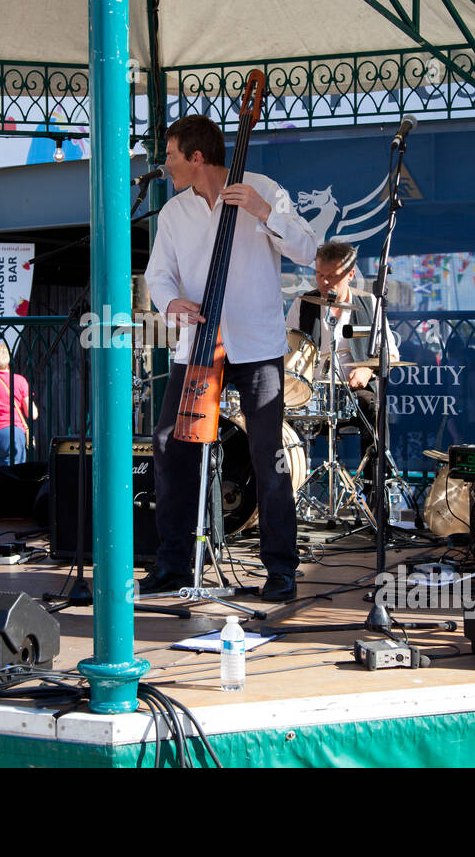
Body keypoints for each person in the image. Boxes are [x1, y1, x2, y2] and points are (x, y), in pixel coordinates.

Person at [141, 114, 317, 602]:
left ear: (196, 157)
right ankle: (174, 563)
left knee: (269, 455)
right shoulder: (174, 212)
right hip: (197, 346)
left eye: (171, 155)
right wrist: (171, 302)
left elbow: (307, 249)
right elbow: (159, 275)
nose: (165, 164)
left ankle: (281, 568)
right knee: (171, 446)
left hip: (256, 344)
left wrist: (265, 212)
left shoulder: (261, 188)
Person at [285, 240, 400, 469]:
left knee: (374, 408)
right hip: (310, 392)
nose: (325, 282)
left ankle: (374, 488)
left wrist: (367, 370)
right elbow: (286, 351)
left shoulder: (370, 303)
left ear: (350, 275)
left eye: (332, 276)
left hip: (352, 392)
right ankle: (290, 488)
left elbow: (393, 356)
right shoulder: (302, 304)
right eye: (319, 275)